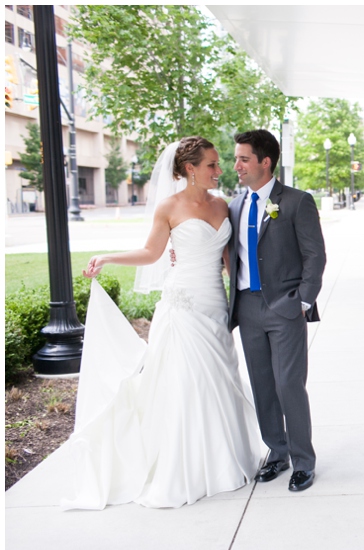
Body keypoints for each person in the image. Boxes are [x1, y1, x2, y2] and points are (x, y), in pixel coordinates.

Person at [62, 137, 262, 510]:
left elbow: (231, 260)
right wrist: (107, 257)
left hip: (215, 305)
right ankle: (185, 468)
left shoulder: (222, 206)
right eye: (212, 165)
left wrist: (245, 301)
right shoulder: (169, 207)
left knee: (220, 380)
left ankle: (223, 459)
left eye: (219, 164)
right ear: (190, 169)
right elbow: (152, 253)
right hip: (182, 305)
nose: (220, 171)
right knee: (187, 384)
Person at [227, 129, 326, 492]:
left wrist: (301, 301)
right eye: (236, 158)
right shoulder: (235, 205)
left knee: (289, 385)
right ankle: (277, 452)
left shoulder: (297, 202)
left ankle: (303, 461)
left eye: (243, 158)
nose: (236, 165)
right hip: (247, 308)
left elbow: (315, 255)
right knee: (263, 385)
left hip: (285, 309)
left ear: (265, 162)